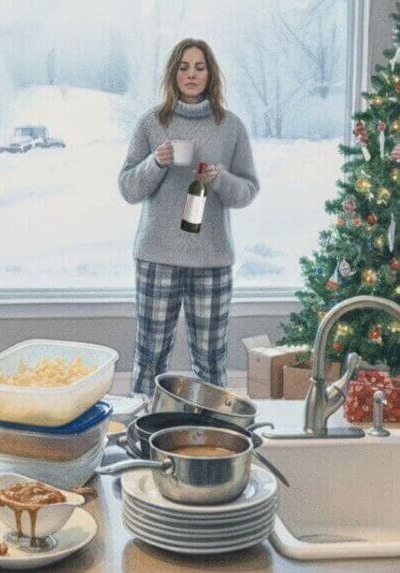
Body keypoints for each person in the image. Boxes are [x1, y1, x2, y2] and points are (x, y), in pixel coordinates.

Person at [118, 38, 259, 395]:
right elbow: (128, 188)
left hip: (211, 260)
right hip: (157, 258)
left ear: (211, 74)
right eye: (184, 67)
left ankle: (211, 426)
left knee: (211, 361)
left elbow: (247, 191)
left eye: (199, 67)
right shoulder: (151, 123)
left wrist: (219, 179)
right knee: (150, 358)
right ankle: (144, 423)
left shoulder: (231, 127)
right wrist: (156, 162)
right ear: (173, 74)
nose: (191, 74)